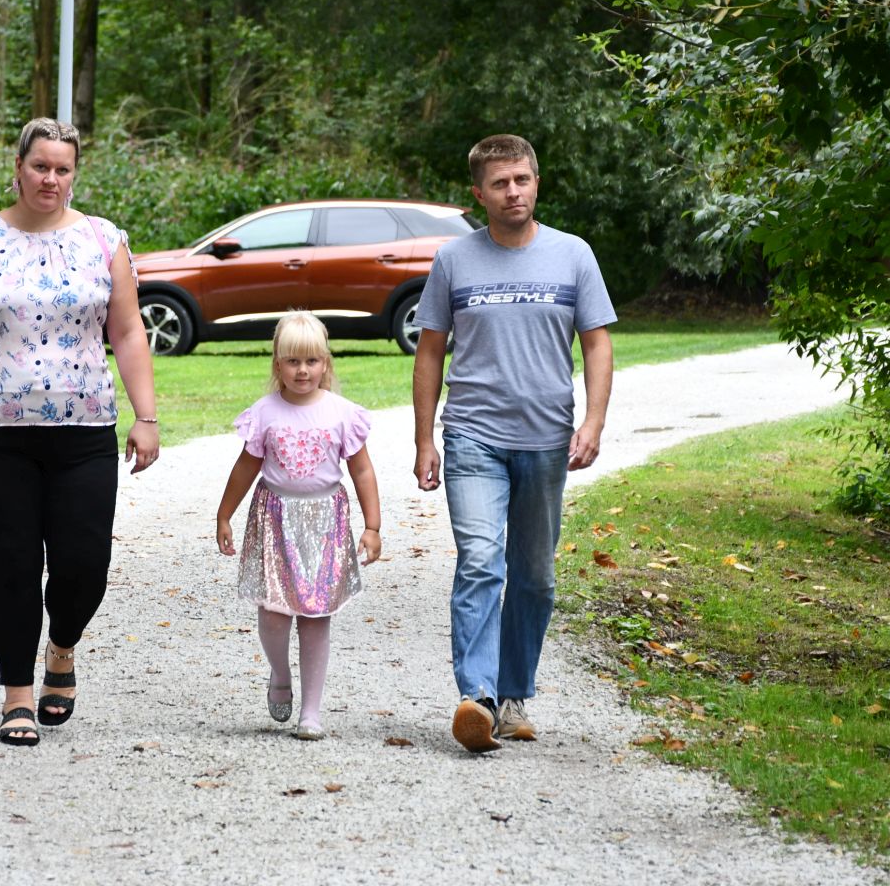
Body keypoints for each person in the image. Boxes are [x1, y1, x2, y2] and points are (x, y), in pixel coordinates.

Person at [0, 118, 159, 747]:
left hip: (84, 430)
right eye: (40, 166)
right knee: (14, 565)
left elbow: (128, 332)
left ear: (74, 174)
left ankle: (63, 646)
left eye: (62, 169)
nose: (50, 179)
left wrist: (147, 415)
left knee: (85, 565)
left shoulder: (104, 241)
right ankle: (17, 694)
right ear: (18, 167)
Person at [412, 134, 615, 753]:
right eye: (500, 184)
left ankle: (515, 693)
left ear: (536, 182)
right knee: (480, 560)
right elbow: (428, 353)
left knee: (535, 577)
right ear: (479, 195)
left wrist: (594, 421)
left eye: (521, 180)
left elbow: (598, 343)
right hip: (473, 433)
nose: (513, 192)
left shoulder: (572, 255)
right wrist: (425, 439)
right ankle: (478, 697)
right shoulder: (454, 260)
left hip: (546, 439)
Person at [215, 312, 382, 741]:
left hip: (325, 523)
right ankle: (279, 673)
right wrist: (224, 514)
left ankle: (311, 711)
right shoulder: (265, 413)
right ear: (277, 365)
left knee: (315, 615)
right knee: (273, 614)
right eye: (292, 362)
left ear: (326, 363)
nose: (302, 370)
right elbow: (246, 467)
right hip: (275, 519)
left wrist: (373, 525)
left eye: (311, 361)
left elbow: (362, 472)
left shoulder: (342, 413)